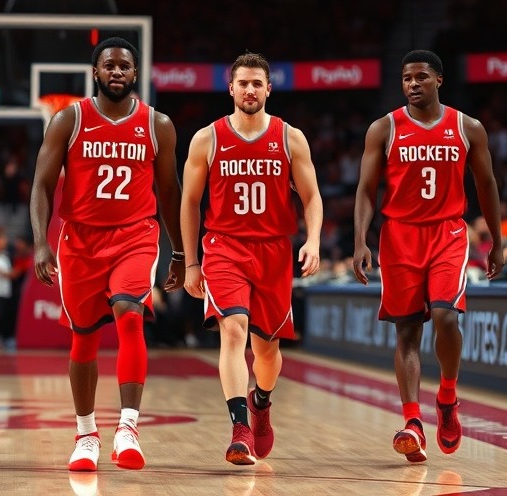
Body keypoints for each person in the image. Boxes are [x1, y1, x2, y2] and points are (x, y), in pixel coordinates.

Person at [30, 37, 185, 471]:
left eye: (124, 66)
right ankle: (85, 434)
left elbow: (170, 192)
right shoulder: (68, 119)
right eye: (109, 66)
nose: (116, 72)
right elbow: (42, 185)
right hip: (79, 240)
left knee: (129, 312)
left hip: (135, 235)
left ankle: (128, 427)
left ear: (135, 74)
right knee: (83, 338)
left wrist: (179, 251)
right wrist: (41, 240)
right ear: (95, 73)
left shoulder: (158, 124)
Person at [353, 50, 504, 463]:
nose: (412, 84)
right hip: (399, 235)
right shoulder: (383, 129)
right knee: (406, 332)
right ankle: (413, 421)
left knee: (445, 316)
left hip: (448, 233)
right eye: (406, 78)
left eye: (421, 76)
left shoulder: (467, 127)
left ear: (439, 80)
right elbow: (366, 190)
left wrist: (496, 239)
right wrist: (360, 240)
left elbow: (487, 184)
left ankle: (448, 398)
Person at [181, 52, 323, 465]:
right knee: (233, 330)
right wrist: (191, 262)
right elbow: (190, 203)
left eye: (256, 83)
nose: (249, 89)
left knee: (267, 352)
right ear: (230, 88)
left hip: (274, 251)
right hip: (225, 246)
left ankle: (261, 401)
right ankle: (239, 428)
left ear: (268, 88)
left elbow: (312, 196)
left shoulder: (289, 137)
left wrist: (312, 239)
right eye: (242, 83)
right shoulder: (207, 138)